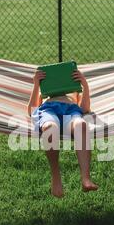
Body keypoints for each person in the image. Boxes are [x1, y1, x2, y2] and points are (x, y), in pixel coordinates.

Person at [27, 69, 98, 198]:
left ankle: (86, 178)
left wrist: (84, 85)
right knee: (50, 128)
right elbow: (32, 110)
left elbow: (85, 109)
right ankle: (56, 177)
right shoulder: (46, 91)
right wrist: (36, 84)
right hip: (49, 109)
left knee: (81, 125)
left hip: (71, 110)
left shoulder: (74, 88)